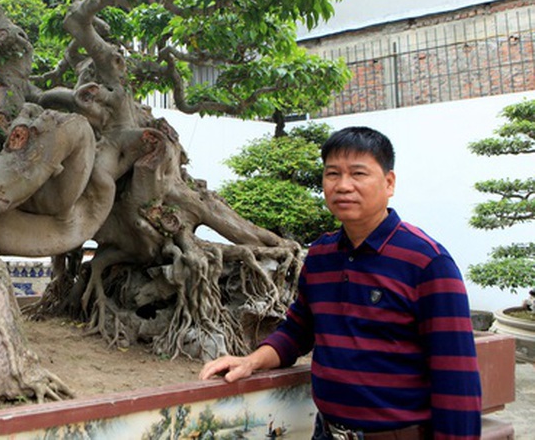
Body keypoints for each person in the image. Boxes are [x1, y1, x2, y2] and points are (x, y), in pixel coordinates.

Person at [200, 126, 481, 439]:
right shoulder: (321, 255)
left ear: (389, 183)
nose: (343, 185)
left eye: (358, 173)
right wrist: (251, 361)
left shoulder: (427, 262)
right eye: (333, 174)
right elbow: (297, 331)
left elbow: (457, 378)